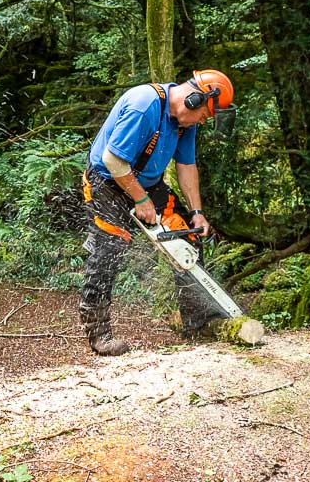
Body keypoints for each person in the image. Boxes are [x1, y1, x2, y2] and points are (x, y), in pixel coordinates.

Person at [79, 69, 235, 356]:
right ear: (194, 100)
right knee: (109, 248)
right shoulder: (144, 105)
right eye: (205, 115)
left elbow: (186, 165)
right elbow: (112, 160)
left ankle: (197, 323)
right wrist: (140, 199)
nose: (203, 120)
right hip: (108, 182)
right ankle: (98, 332)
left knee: (187, 234)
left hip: (147, 183)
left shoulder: (185, 124)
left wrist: (197, 212)